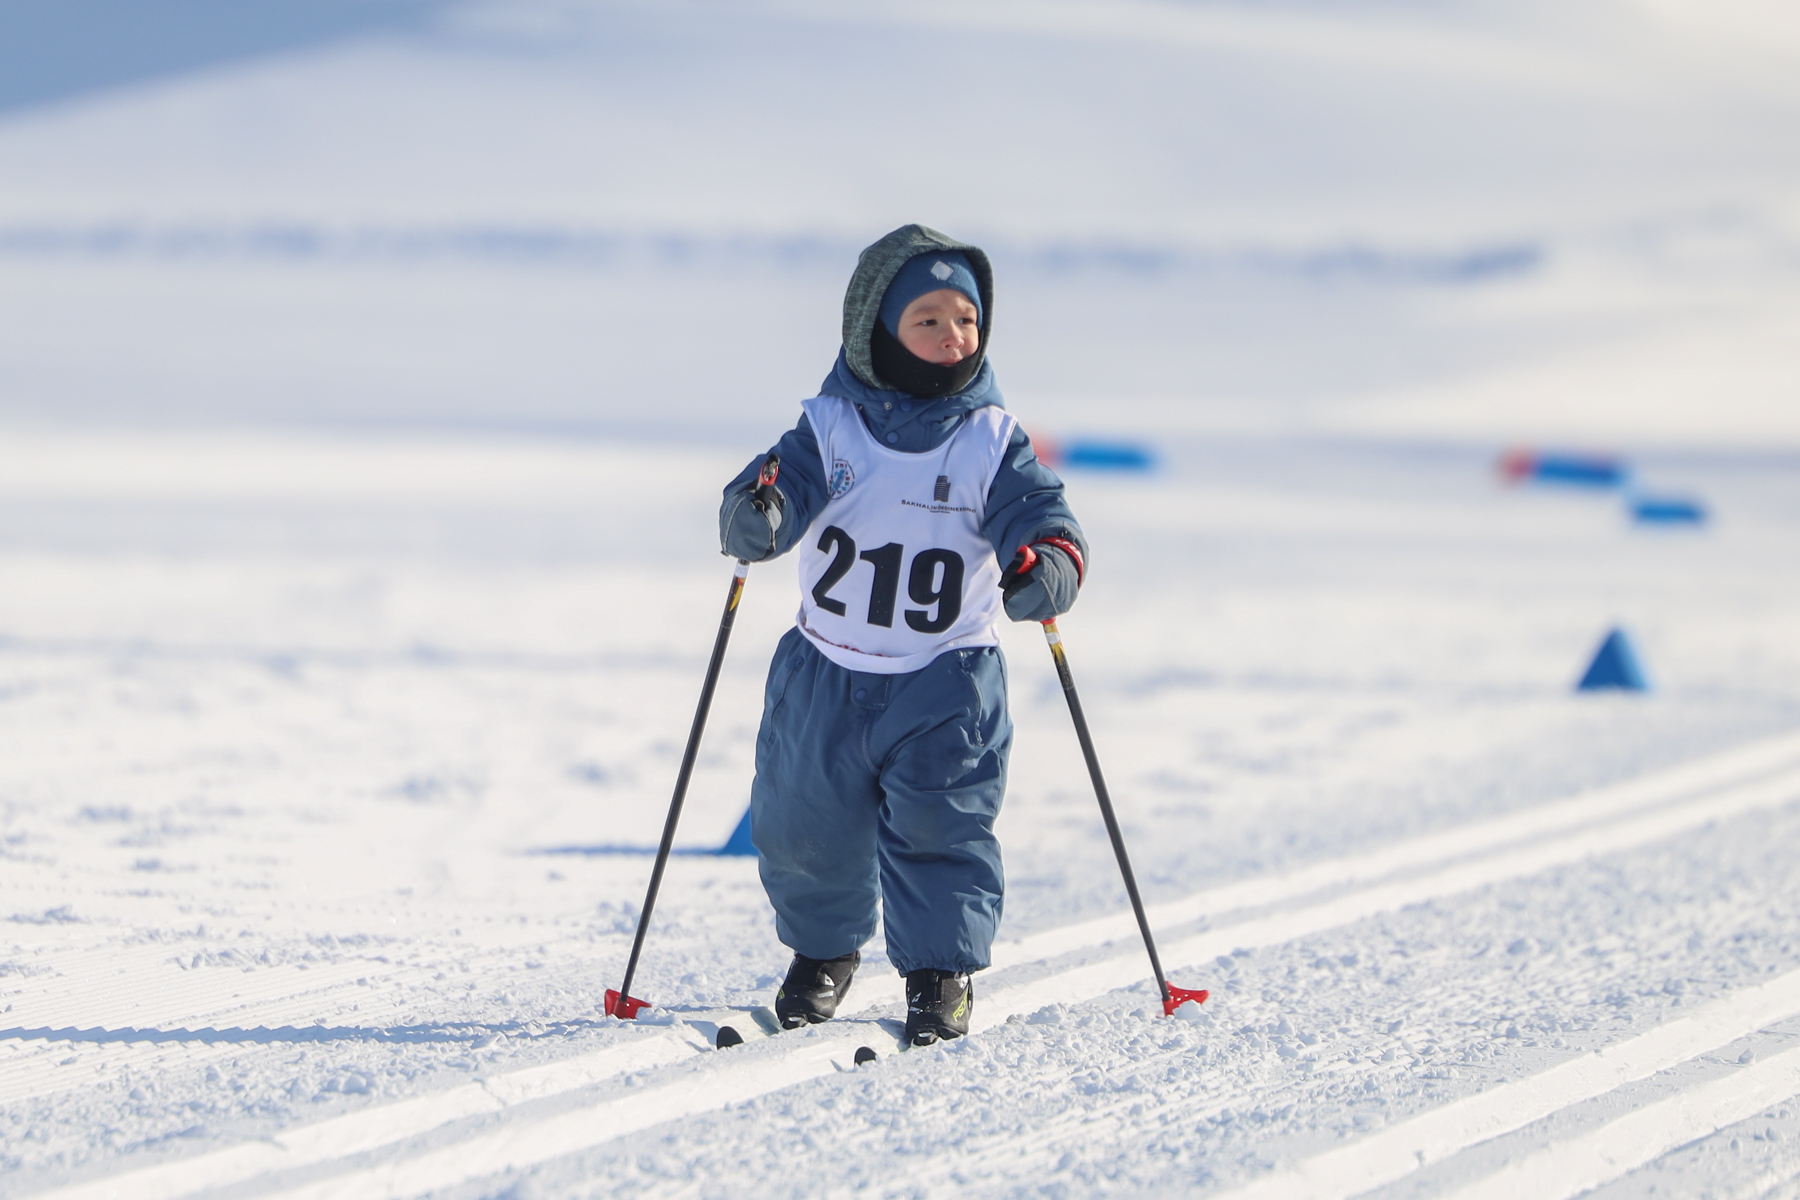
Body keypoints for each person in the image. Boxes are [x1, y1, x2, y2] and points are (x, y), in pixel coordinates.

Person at [719, 224, 1087, 1046]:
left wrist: (1048, 564)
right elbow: (774, 490)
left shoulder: (991, 439)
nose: (953, 335)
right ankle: (823, 955)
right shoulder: (830, 429)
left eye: (967, 319)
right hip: (825, 674)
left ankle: (938, 975)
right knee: (803, 825)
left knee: (941, 827)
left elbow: (1043, 516)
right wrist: (758, 513)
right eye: (928, 319)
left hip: (944, 681)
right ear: (878, 331)